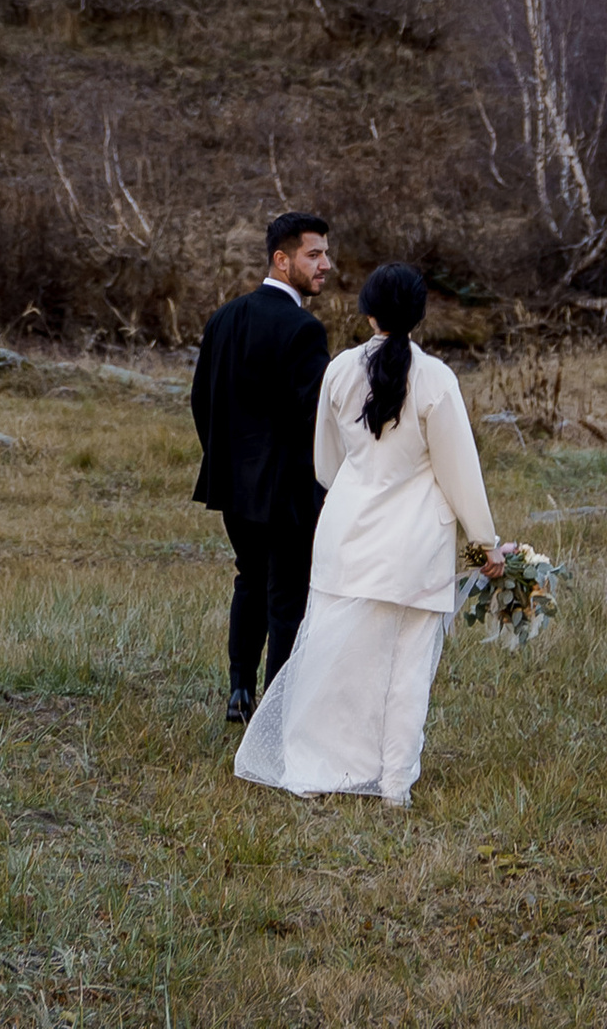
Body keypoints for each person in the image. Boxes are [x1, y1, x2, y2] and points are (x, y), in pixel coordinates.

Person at [233, 260, 502, 810]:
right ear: (420, 315)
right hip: (413, 547)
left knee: (331, 661)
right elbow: (461, 475)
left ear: (368, 311)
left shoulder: (339, 370)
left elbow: (326, 464)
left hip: (345, 536)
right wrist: (484, 543)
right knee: (406, 670)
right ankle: (393, 783)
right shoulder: (435, 380)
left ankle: (315, 765)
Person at [189, 211, 336, 719]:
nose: (326, 265)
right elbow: (317, 418)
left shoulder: (224, 318)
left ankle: (239, 692)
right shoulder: (304, 329)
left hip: (233, 485)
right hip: (289, 488)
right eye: (313, 255)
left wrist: (225, 458)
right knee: (286, 594)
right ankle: (276, 708)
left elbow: (200, 400)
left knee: (249, 579)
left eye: (325, 254)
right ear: (282, 259)